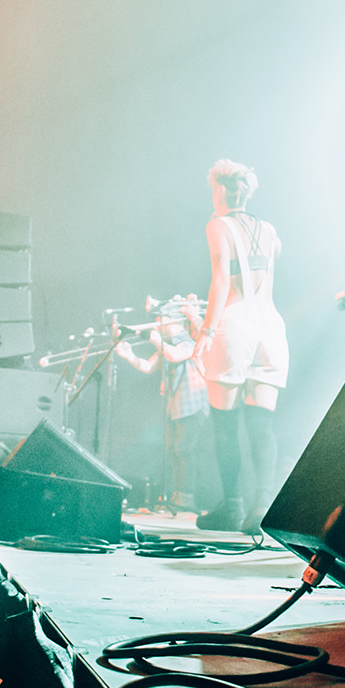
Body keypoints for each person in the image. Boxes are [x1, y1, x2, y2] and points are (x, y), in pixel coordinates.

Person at [191, 160, 286, 532]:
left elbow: (220, 279)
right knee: (262, 425)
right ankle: (262, 507)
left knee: (225, 424)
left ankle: (232, 506)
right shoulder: (269, 229)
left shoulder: (219, 226)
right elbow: (275, 253)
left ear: (221, 190)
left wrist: (205, 331)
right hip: (271, 326)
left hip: (235, 325)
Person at [115, 298, 210, 517]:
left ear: (176, 322)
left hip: (192, 403)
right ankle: (176, 497)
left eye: (162, 319)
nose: (158, 323)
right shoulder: (168, 345)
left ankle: (186, 498)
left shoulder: (190, 341)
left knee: (184, 450)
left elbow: (175, 355)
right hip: (175, 404)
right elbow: (148, 367)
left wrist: (156, 340)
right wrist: (128, 355)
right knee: (173, 451)